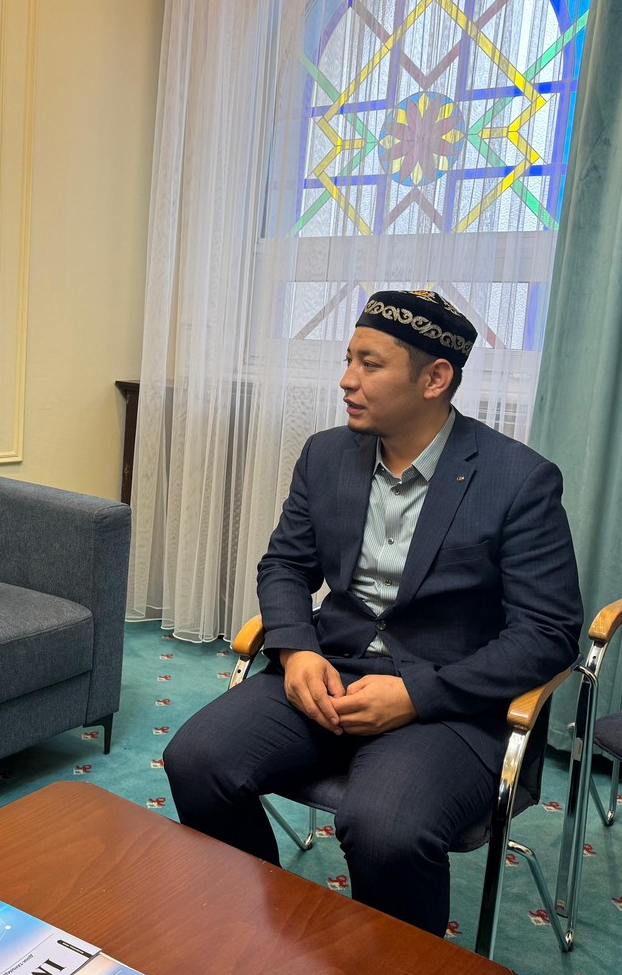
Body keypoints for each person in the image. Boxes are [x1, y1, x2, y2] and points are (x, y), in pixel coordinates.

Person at [164, 290, 582, 936]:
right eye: (347, 359)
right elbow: (284, 565)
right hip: (330, 670)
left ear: (434, 378)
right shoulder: (325, 454)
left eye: (369, 363)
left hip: (447, 701)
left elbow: (547, 633)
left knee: (385, 826)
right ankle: (260, 934)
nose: (346, 380)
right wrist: (296, 649)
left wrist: (418, 694)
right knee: (196, 759)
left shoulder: (517, 480)